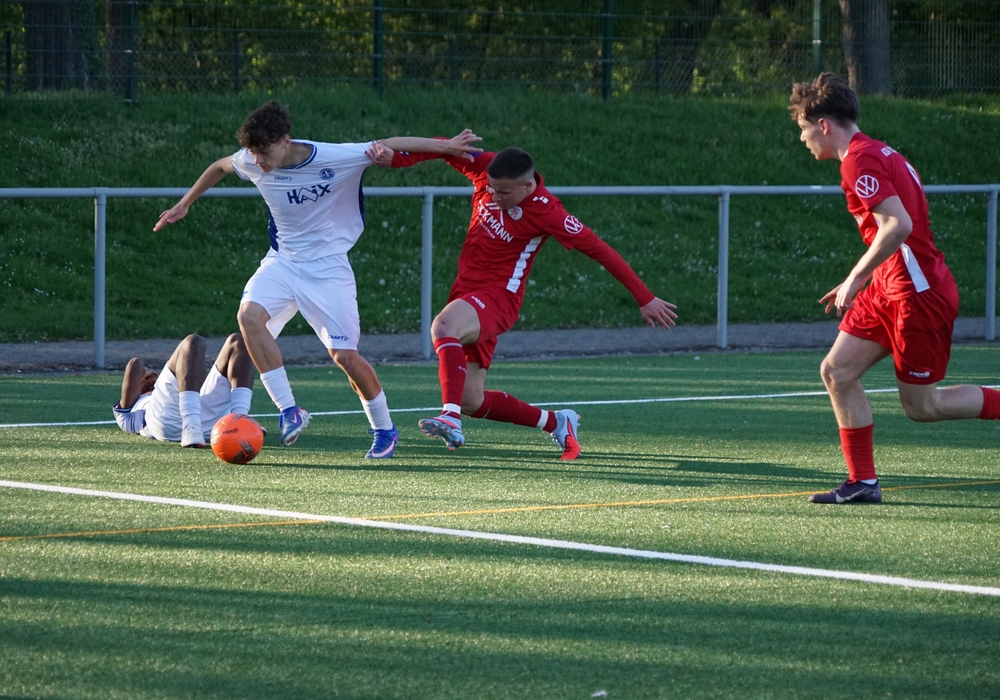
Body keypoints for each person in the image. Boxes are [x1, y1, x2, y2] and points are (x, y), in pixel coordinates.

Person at [153, 101, 480, 458]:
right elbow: (218, 167)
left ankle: (385, 428)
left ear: (285, 140)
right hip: (282, 263)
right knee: (247, 317)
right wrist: (185, 203)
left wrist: (447, 146)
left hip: (328, 269)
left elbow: (392, 141)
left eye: (264, 152)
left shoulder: (335, 157)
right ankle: (290, 411)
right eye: (253, 153)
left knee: (345, 356)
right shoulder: (252, 161)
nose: (258, 162)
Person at [368, 138, 677, 459]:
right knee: (472, 399)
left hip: (499, 298)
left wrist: (645, 298)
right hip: (466, 293)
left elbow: (600, 250)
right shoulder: (486, 166)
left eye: (503, 193)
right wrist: (396, 159)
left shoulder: (549, 213)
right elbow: (443, 148)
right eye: (491, 189)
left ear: (528, 185)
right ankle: (557, 422)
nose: (494, 196)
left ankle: (449, 417)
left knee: (443, 327)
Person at [789, 73, 1000, 504]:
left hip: (917, 294)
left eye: (803, 129)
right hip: (892, 287)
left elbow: (898, 225)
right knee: (836, 371)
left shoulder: (859, 160)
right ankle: (863, 482)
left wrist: (854, 276)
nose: (803, 139)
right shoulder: (879, 152)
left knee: (924, 408)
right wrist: (866, 277)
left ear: (824, 124)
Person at [114, 333, 255, 447]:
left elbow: (136, 366)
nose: (151, 375)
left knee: (239, 341)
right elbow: (134, 364)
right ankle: (191, 427)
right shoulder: (130, 412)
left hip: (216, 426)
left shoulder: (185, 390)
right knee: (193, 342)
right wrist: (142, 382)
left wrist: (145, 378)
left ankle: (240, 424)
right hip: (167, 421)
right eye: (145, 375)